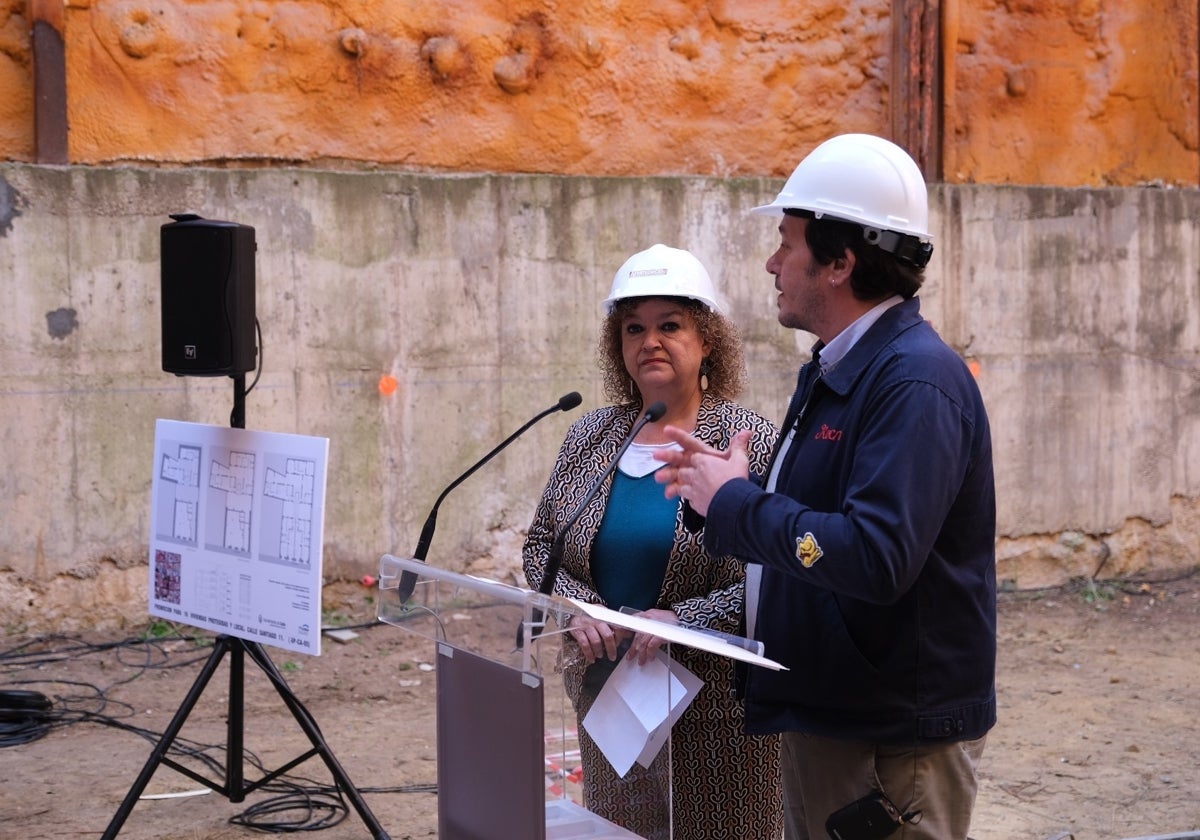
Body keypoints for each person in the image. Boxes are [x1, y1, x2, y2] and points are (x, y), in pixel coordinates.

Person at [653, 134, 997, 840]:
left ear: (841, 261)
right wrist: (718, 493)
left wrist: (739, 503)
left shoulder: (914, 383)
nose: (773, 262)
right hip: (842, 721)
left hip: (887, 744)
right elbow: (815, 523)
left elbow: (875, 557)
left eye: (788, 242)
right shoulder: (846, 367)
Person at [523, 244, 783, 840]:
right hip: (607, 692)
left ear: (708, 339)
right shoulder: (593, 433)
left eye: (671, 325)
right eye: (634, 328)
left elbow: (770, 572)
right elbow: (543, 545)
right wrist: (574, 607)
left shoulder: (749, 441)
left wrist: (681, 620)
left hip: (717, 709)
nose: (650, 341)